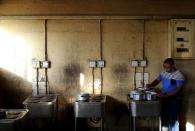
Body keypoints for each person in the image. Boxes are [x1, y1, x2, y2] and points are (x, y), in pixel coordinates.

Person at [146, 58, 185, 131]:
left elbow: (178, 90)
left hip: (174, 99)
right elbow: (157, 80)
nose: (166, 69)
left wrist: (166, 95)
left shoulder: (179, 75)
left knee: (173, 118)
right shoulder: (164, 73)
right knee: (164, 116)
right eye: (165, 67)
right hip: (164, 98)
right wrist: (150, 85)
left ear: (173, 65)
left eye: (168, 67)